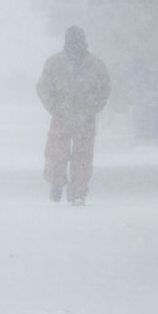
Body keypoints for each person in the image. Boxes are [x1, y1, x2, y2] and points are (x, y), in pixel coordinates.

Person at [36, 26, 111, 205]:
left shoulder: (95, 64)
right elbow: (43, 88)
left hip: (84, 117)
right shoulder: (54, 63)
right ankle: (57, 182)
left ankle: (78, 191)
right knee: (58, 152)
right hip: (63, 116)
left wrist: (93, 107)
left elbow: (105, 89)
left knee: (81, 155)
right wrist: (54, 108)